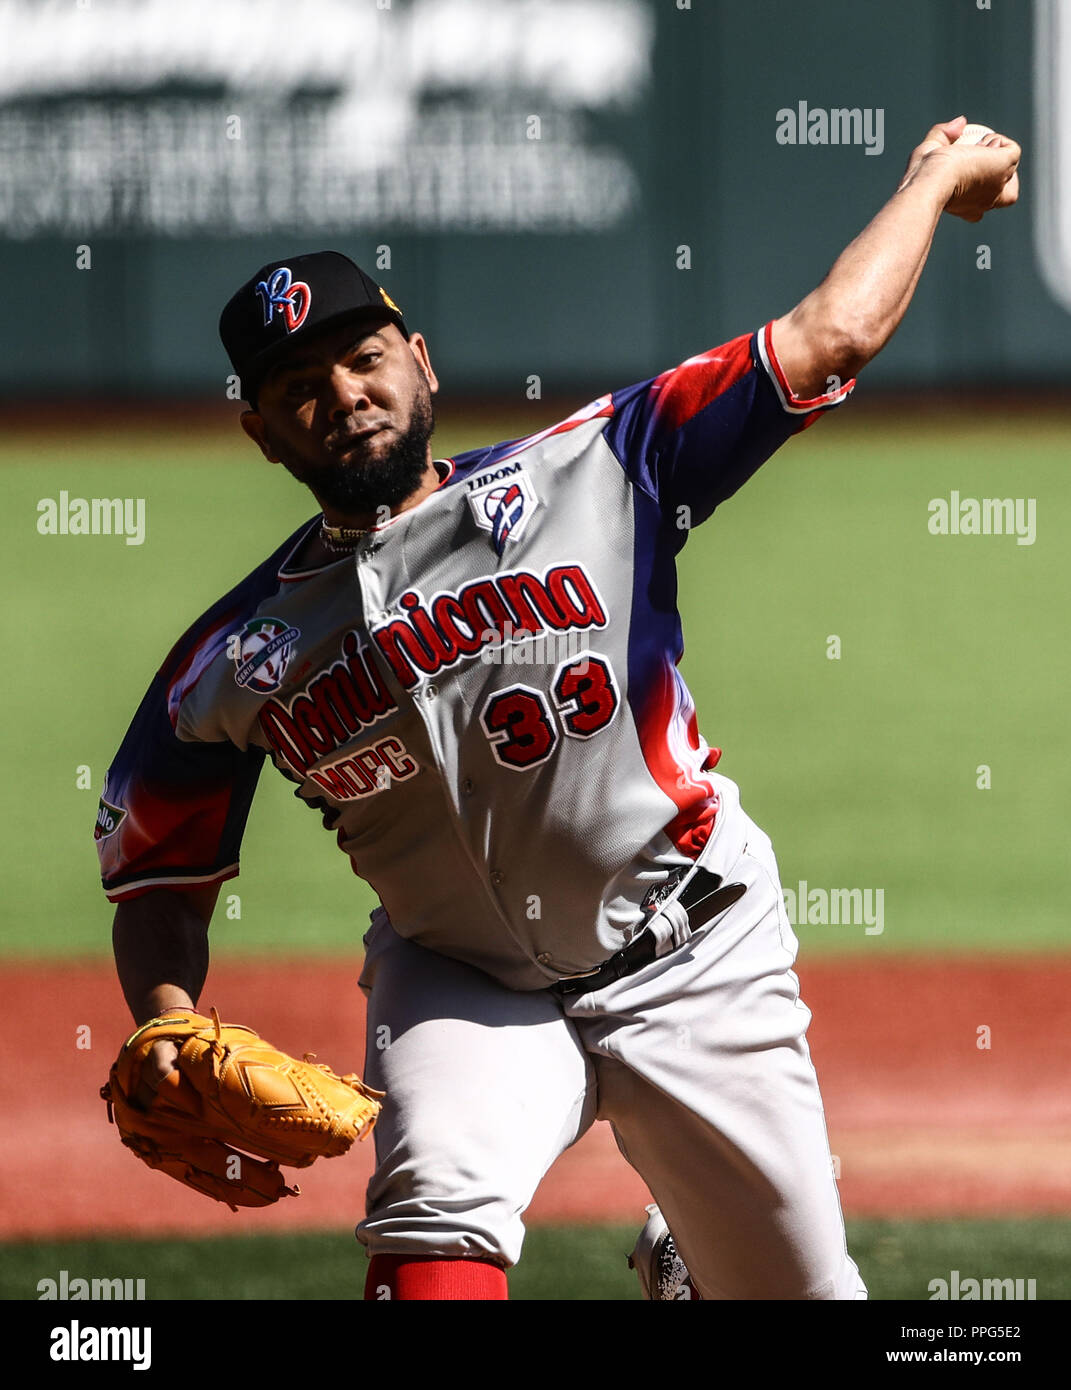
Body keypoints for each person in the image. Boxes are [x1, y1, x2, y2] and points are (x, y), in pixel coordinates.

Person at [98, 117, 1019, 1300]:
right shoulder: (233, 656)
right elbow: (156, 877)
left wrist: (936, 178)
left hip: (693, 948)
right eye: (298, 387)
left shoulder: (602, 463)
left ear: (421, 362)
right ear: (261, 432)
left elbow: (829, 337)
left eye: (364, 358)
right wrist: (166, 1017)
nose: (344, 394)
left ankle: (693, 1259)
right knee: (432, 1221)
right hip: (460, 981)